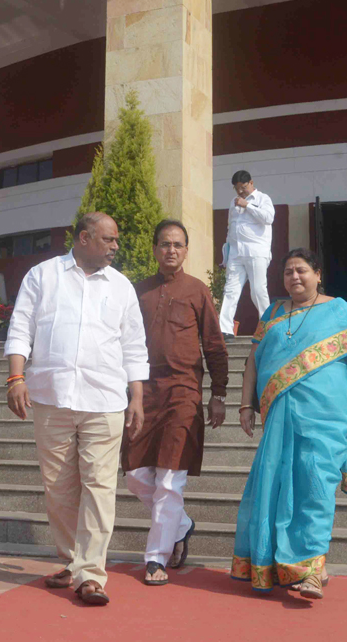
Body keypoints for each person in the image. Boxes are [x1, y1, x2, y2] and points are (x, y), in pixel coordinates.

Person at [231, 249, 347, 600]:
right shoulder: (273, 313)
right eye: (288, 272)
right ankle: (279, 565)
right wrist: (246, 403)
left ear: (318, 275)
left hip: (326, 414)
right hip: (280, 414)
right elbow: (252, 361)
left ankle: (311, 568)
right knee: (275, 485)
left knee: (316, 486)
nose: (294, 277)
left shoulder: (339, 310)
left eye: (301, 271)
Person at [4, 212, 149, 607]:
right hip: (51, 397)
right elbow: (21, 327)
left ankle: (90, 575)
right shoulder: (43, 276)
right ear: (84, 238)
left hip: (104, 400)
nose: (116, 247)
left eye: (116, 240)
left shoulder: (121, 287)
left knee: (100, 486)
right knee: (58, 486)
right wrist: (16, 378)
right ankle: (71, 561)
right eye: (109, 239)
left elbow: (134, 346)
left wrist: (136, 396)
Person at [123, 219, 229, 586]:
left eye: (178, 245)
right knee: (135, 474)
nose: (171, 250)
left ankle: (156, 558)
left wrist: (218, 394)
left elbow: (214, 345)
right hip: (143, 394)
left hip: (184, 392)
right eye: (165, 244)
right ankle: (181, 525)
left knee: (170, 479)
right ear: (154, 249)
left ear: (186, 251)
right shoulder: (137, 292)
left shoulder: (197, 291)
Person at [218, 170, 275, 336]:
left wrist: (248, 205)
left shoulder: (263, 199)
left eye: (243, 187)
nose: (240, 191)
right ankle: (225, 329)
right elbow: (231, 227)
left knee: (258, 290)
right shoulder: (232, 202)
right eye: (237, 188)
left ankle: (267, 327)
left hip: (256, 251)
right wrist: (227, 255)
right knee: (230, 290)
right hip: (236, 253)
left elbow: (268, 218)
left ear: (251, 182)